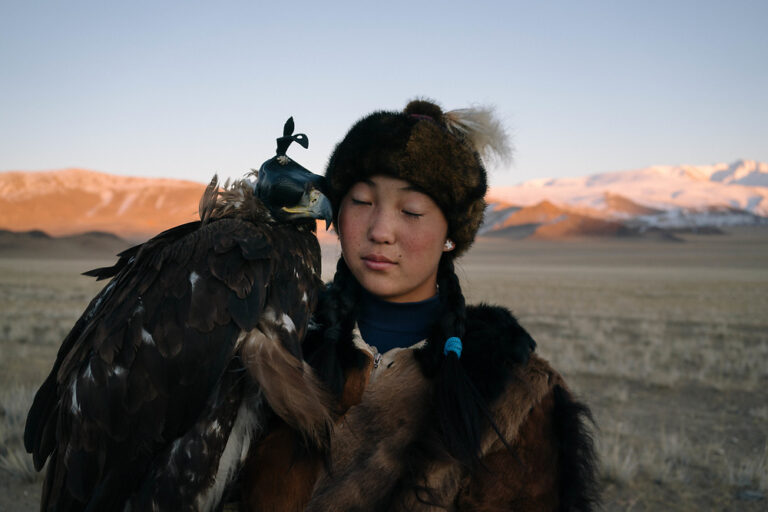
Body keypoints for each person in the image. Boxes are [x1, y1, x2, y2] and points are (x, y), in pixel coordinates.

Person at [242, 99, 599, 511]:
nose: (380, 231)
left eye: (411, 211)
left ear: (451, 236)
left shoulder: (514, 390)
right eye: (360, 202)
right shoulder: (271, 340)